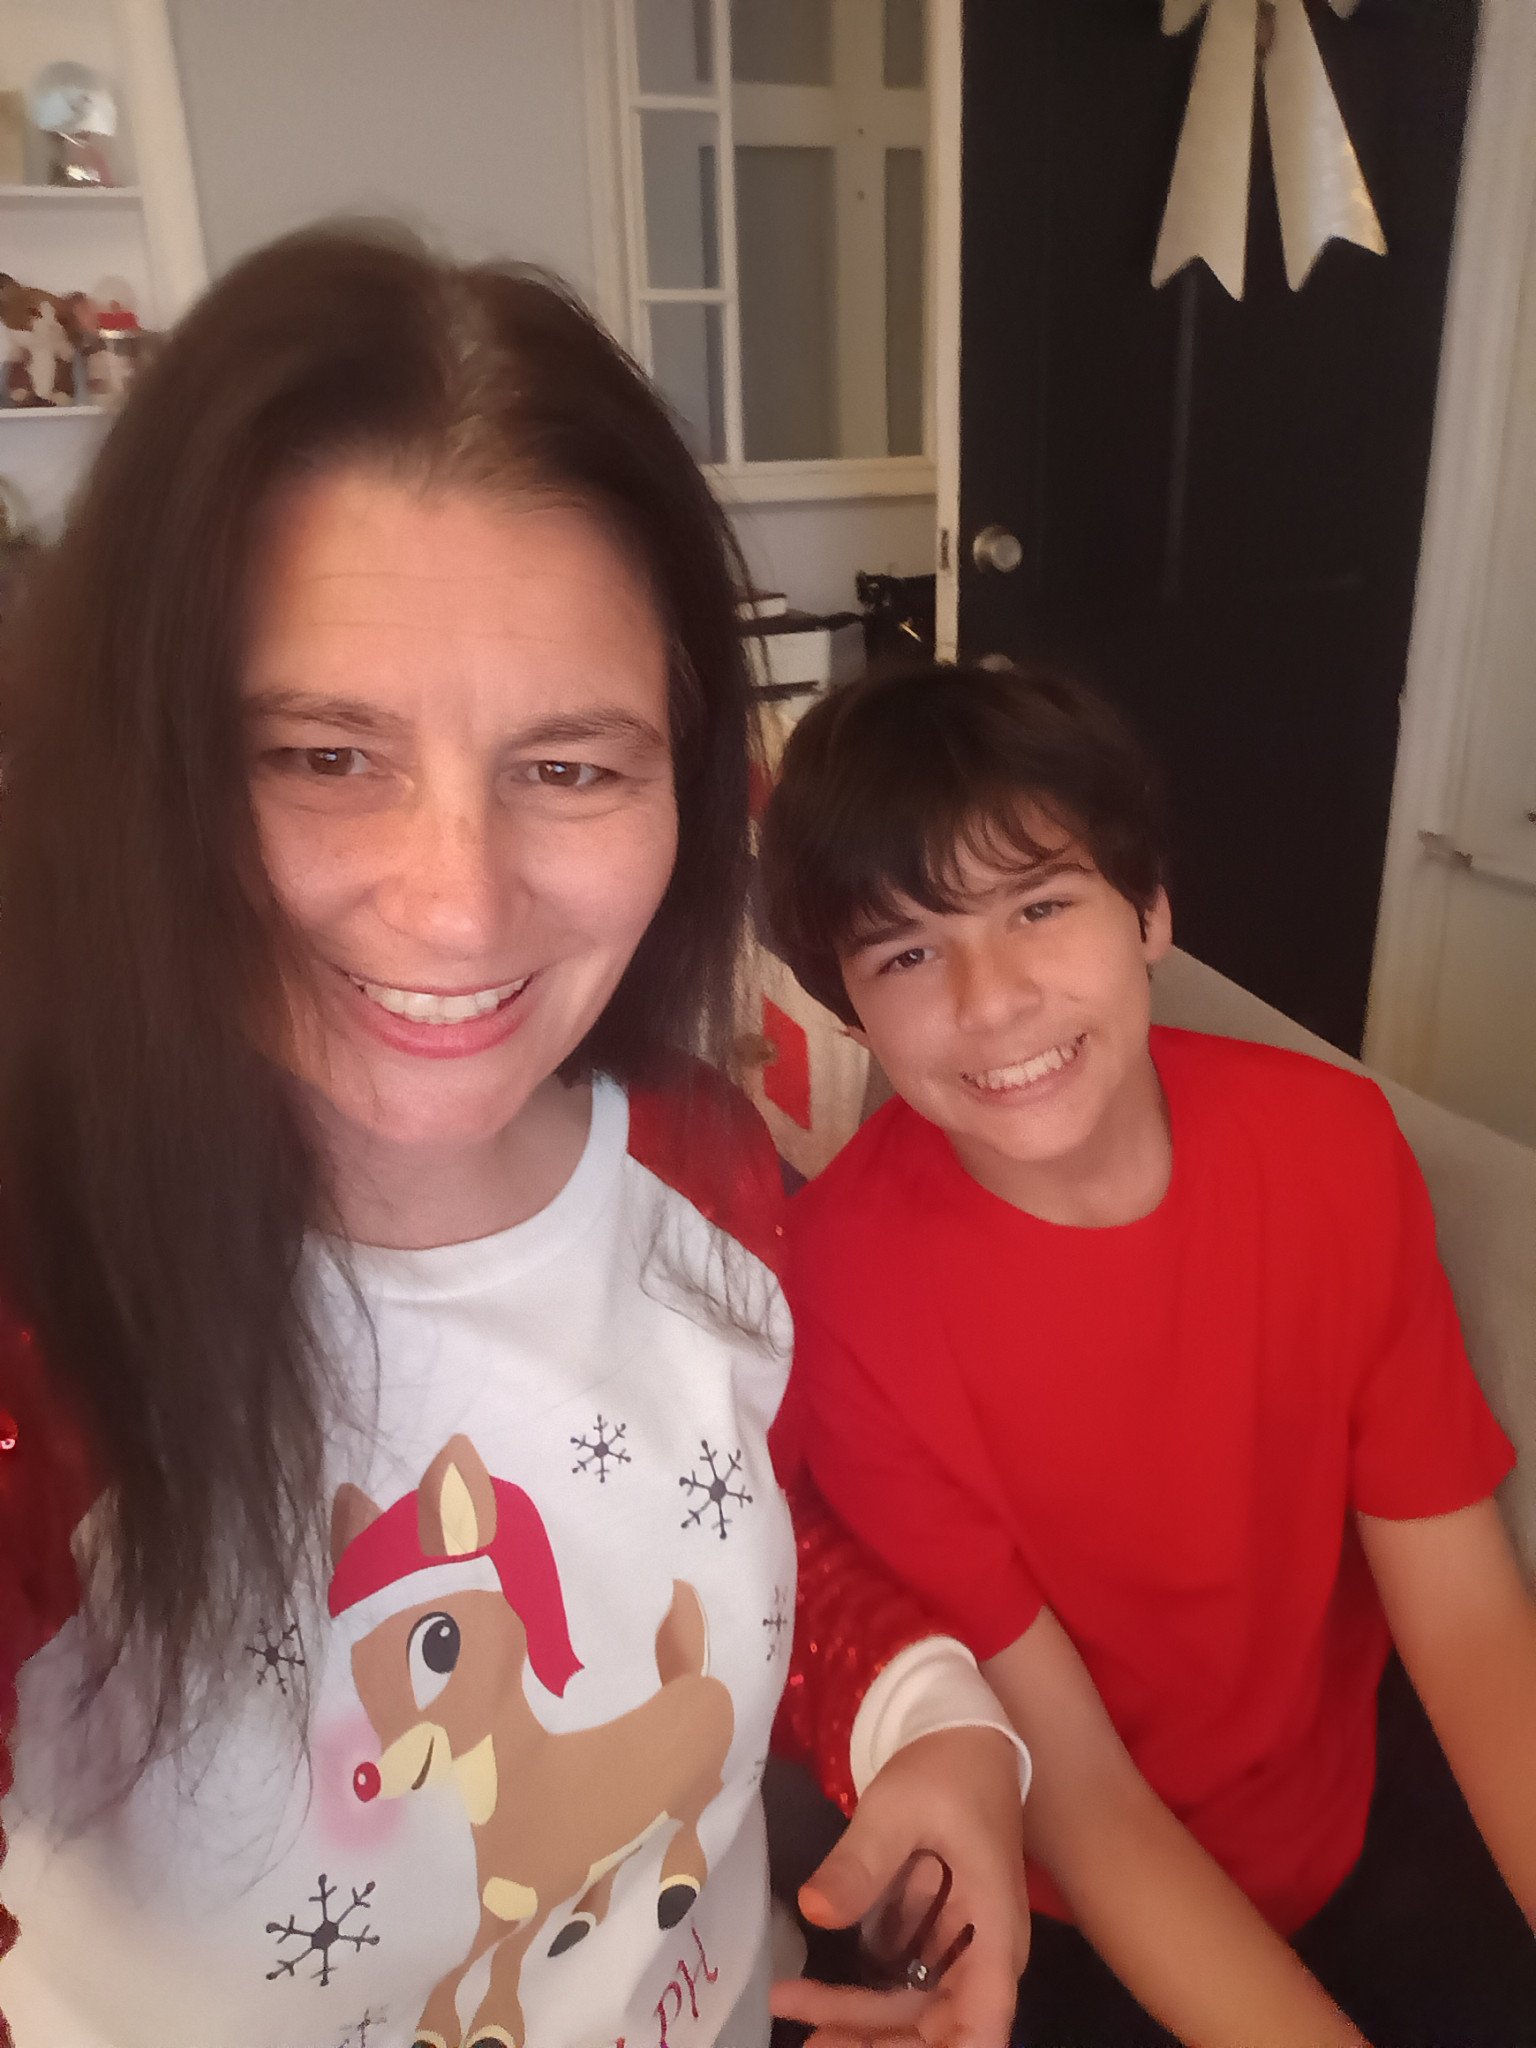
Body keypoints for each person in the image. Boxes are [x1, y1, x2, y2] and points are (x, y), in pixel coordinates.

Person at [0, 233, 1032, 2048]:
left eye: (569, 766)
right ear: (141, 773)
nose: (460, 906)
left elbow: (722, 1527)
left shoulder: (707, 1167)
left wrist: (929, 1716)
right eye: (324, 756)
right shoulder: (42, 1320)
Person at [760, 661, 1536, 2047]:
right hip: (1059, 1885)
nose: (994, 1000)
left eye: (1039, 905)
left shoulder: (1334, 1151)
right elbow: (1081, 1791)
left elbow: (1470, 1621)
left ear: (1151, 911)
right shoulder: (838, 1291)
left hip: (1354, 1800)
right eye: (908, 954)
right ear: (850, 1014)